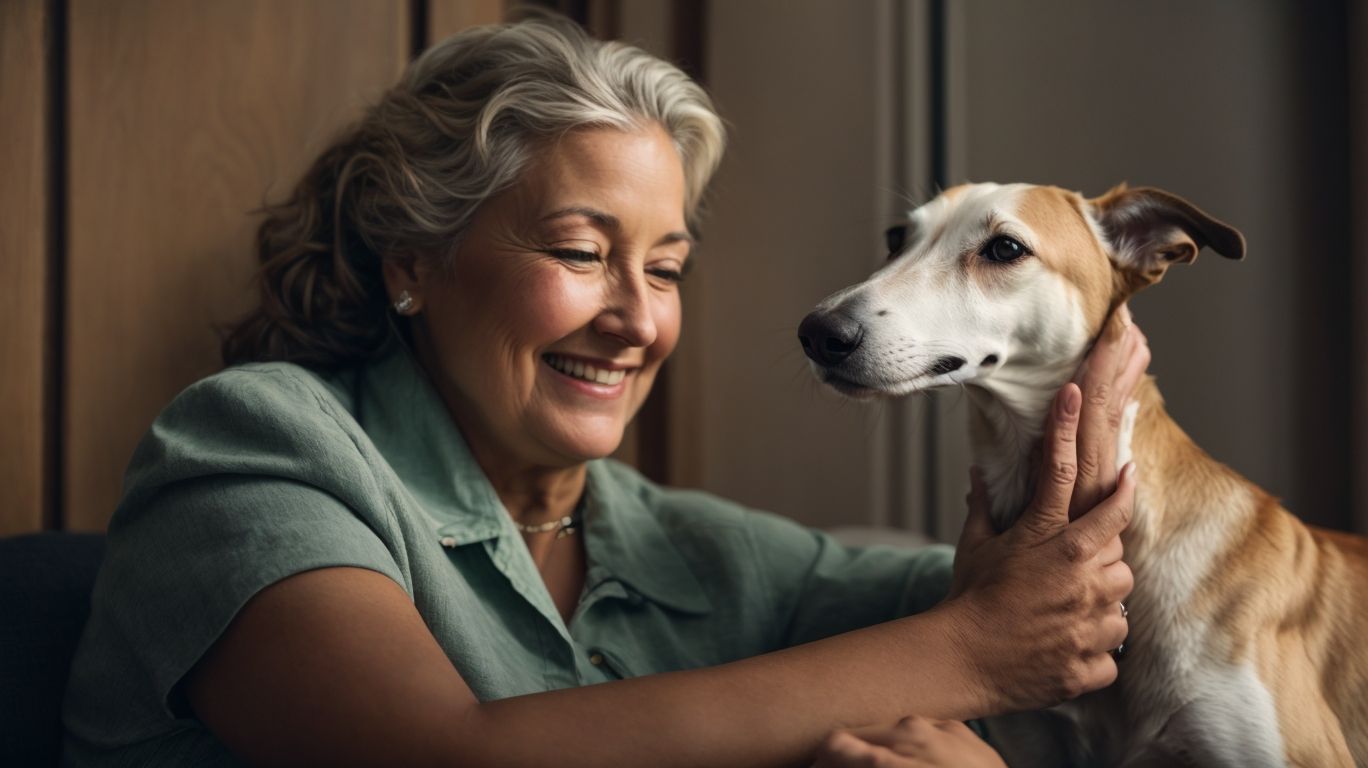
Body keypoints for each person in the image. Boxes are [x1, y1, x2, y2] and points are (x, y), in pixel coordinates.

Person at [61, 13, 1146, 767]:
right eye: (583, 253)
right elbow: (443, 757)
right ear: (410, 259)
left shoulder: (689, 551)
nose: (637, 318)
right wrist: (969, 652)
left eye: (666, 269)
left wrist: (1084, 433)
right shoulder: (252, 451)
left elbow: (1055, 611)